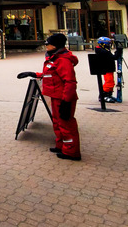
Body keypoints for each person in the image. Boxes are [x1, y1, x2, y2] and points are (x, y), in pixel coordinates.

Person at [18, 33, 81, 161]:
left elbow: (70, 82)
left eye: (48, 43)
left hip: (63, 98)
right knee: (58, 123)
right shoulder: (54, 58)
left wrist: (66, 101)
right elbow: (49, 74)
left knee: (66, 125)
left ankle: (71, 152)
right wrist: (33, 74)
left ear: (55, 45)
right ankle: (61, 146)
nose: (46, 46)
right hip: (55, 96)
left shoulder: (63, 60)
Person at [94, 37, 122, 103]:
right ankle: (103, 96)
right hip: (106, 68)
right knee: (109, 82)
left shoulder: (103, 50)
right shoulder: (103, 51)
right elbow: (114, 57)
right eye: (108, 44)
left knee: (111, 82)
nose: (109, 46)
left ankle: (109, 94)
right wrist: (119, 51)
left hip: (108, 68)